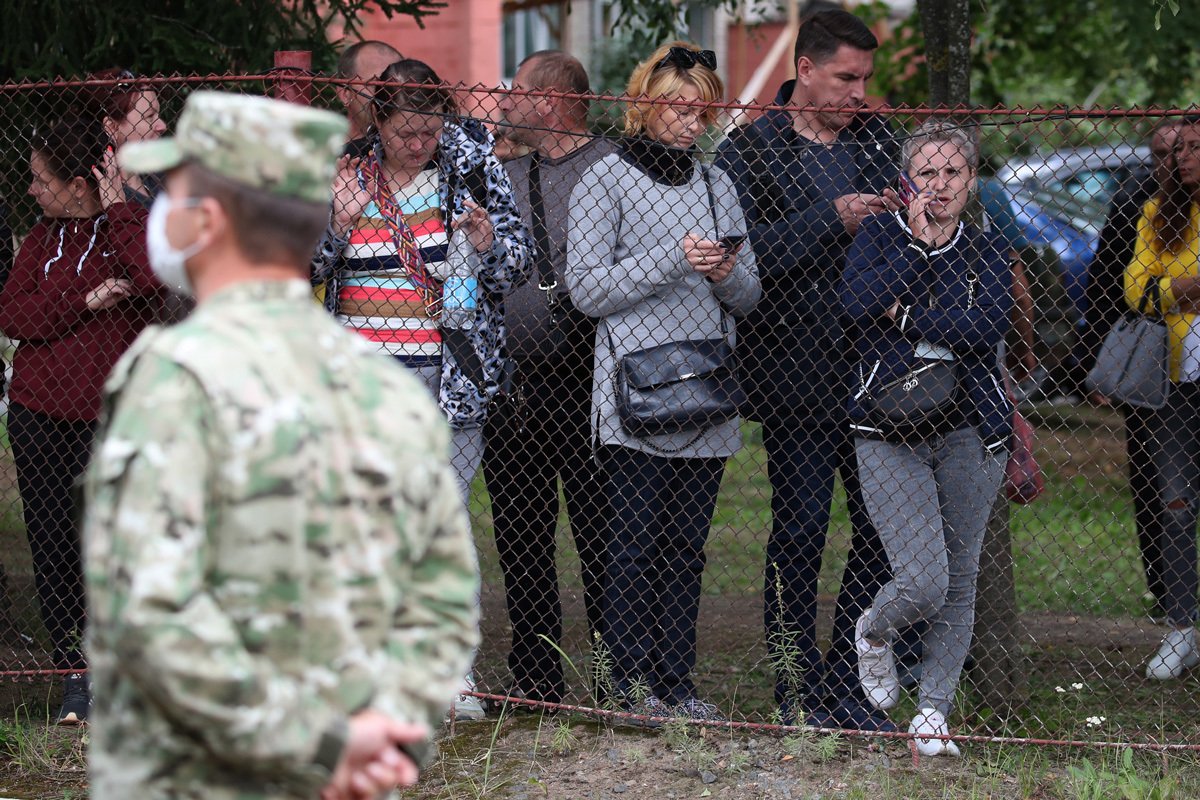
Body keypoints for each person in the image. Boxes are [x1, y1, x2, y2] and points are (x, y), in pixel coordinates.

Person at [84, 91, 479, 798]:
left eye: (173, 192)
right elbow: (444, 597)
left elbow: (150, 611)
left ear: (206, 222)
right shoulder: (385, 387)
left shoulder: (174, 384)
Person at [313, 57, 531, 719]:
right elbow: (301, 268)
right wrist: (338, 223)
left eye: (429, 128)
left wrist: (490, 241)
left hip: (446, 375)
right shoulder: (345, 168)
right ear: (377, 121)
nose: (420, 142)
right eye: (406, 131)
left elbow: (518, 264)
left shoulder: (473, 165)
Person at [713, 8, 901, 731]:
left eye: (866, 79)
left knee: (882, 533)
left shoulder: (878, 140)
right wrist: (834, 219)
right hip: (792, 376)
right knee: (798, 534)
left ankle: (851, 683)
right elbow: (740, 257)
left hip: (876, 375)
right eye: (847, 78)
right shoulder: (750, 150)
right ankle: (797, 689)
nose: (860, 93)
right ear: (805, 70)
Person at [567, 41, 760, 723]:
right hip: (634, 397)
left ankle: (677, 684)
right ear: (645, 104)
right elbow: (587, 290)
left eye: (702, 111)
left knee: (686, 549)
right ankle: (624, 688)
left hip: (705, 390)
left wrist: (721, 272)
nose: (690, 122)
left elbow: (749, 292)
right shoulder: (606, 179)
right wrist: (671, 260)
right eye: (678, 107)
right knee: (632, 545)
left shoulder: (717, 184)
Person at [841, 119, 1012, 757]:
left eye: (954, 173)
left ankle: (933, 714)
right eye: (927, 174)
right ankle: (875, 632)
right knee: (923, 581)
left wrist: (907, 314)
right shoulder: (882, 234)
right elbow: (857, 304)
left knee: (962, 580)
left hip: (971, 428)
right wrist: (914, 250)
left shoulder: (988, 248)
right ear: (907, 180)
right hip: (889, 428)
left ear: (972, 179)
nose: (940, 186)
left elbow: (984, 327)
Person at [0, 115, 162, 725]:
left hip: (107, 421)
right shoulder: (44, 239)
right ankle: (76, 677)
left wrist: (117, 205)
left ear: (80, 182)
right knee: (53, 548)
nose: (33, 191)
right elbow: (13, 314)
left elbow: (147, 280)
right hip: (39, 416)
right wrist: (83, 302)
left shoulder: (131, 227)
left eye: (43, 180)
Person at [483, 50, 615, 707]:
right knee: (521, 536)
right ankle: (536, 678)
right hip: (513, 388)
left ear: (553, 100)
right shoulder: (499, 173)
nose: (503, 102)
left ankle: (613, 675)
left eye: (517, 92)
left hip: (590, 385)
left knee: (602, 535)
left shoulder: (613, 170)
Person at [1088, 120, 1181, 617]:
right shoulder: (1134, 204)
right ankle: (1167, 590)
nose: (1172, 162)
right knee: (1154, 479)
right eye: (1161, 154)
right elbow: (1105, 285)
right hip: (1149, 359)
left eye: (1182, 151)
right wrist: (1096, 366)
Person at [1124, 117, 1200, 680]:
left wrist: (1171, 291)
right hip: (1177, 383)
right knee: (1174, 504)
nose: (1185, 157)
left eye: (1197, 147)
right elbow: (1136, 290)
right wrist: (1186, 290)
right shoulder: (1158, 215)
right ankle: (1181, 628)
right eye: (1181, 149)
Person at [79, 68, 168, 205]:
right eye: (150, 116)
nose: (162, 126)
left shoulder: (162, 176)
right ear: (111, 126)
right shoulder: (97, 196)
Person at [334, 40, 403, 150]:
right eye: (375, 84)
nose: (389, 95)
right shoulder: (323, 151)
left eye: (396, 85)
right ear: (345, 94)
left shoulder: (420, 147)